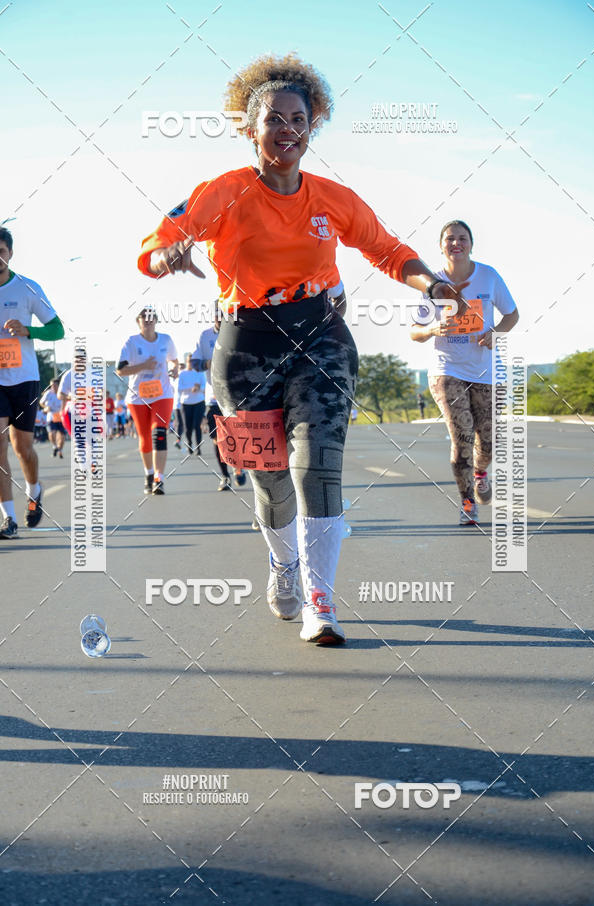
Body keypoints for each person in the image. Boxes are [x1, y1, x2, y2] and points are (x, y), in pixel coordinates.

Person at [138, 53, 465, 644]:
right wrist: (168, 257)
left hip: (320, 339)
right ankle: (284, 564)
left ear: (313, 126)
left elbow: (387, 250)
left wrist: (433, 284)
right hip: (245, 349)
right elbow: (164, 240)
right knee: (269, 479)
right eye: (274, 120)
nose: (287, 130)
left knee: (317, 466)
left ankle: (321, 601)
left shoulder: (332, 197)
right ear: (249, 129)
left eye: (299, 119)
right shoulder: (223, 193)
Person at [410, 219, 519, 525]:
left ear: (471, 244)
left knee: (488, 441)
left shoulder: (488, 276)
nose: (456, 244)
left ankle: (481, 472)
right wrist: (433, 328)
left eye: (462, 238)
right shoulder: (433, 282)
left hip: (486, 371)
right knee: (461, 438)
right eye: (450, 239)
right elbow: (414, 332)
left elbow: (512, 314)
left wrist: (495, 333)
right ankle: (468, 502)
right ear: (441, 245)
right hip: (447, 369)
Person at [0, 228, 65, 539]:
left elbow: (57, 330)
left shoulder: (27, 288)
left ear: (10, 253)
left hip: (25, 379)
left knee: (23, 447)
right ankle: (9, 519)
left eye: (1, 250)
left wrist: (29, 331)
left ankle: (34, 491)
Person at [116, 308, 178, 495]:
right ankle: (149, 475)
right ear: (138, 322)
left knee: (159, 434)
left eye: (151, 317)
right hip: (138, 397)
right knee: (145, 439)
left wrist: (175, 369)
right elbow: (120, 370)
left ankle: (159, 478)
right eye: (144, 317)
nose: (148, 320)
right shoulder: (132, 342)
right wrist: (144, 366)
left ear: (156, 320)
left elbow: (175, 361)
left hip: (162, 394)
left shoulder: (165, 340)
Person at [194, 305, 247, 491]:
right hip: (213, 397)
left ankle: (239, 468)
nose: (220, 319)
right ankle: (225, 476)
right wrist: (208, 363)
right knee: (219, 440)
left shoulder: (239, 332)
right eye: (217, 315)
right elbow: (194, 363)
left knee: (237, 436)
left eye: (223, 315)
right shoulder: (205, 336)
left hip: (236, 396)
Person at [177, 352, 206, 456]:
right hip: (186, 403)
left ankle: (198, 447)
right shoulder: (182, 374)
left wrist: (198, 388)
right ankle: (189, 444)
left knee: (197, 425)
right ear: (186, 362)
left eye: (193, 361)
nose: (191, 363)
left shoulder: (199, 372)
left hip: (199, 402)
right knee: (188, 428)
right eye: (189, 361)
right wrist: (190, 388)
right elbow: (179, 389)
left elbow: (204, 386)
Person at [41, 378, 65, 457]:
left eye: (54, 385)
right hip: (51, 416)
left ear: (59, 385)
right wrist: (46, 407)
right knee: (52, 433)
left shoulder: (63, 393)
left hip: (61, 416)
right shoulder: (48, 393)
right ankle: (55, 446)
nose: (53, 387)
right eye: (51, 385)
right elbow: (41, 402)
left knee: (62, 436)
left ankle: (60, 449)